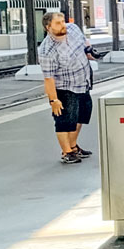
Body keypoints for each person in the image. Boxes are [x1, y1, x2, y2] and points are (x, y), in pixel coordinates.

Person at [38, 11, 95, 164]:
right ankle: (67, 152)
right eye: (58, 23)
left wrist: (90, 53)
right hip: (65, 88)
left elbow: (84, 43)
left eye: (62, 21)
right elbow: (48, 79)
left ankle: (73, 146)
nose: (63, 25)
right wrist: (53, 100)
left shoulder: (73, 29)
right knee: (65, 121)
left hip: (83, 83)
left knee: (81, 116)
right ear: (48, 27)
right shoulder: (47, 50)